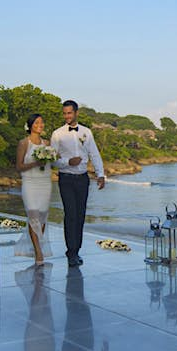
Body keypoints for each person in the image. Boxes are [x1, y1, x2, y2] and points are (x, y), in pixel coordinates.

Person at [50, 100, 106, 266]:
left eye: (69, 113)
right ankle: (71, 252)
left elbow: (94, 154)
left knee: (80, 216)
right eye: (64, 113)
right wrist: (68, 161)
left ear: (76, 113)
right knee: (71, 215)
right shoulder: (57, 134)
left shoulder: (86, 132)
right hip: (65, 178)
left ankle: (77, 251)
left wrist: (101, 174)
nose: (67, 116)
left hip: (83, 179)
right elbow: (52, 159)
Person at [15, 113, 52, 264]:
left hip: (45, 183)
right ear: (30, 126)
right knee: (33, 214)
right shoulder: (24, 143)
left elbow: (53, 162)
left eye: (42, 122)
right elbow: (19, 167)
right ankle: (38, 251)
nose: (40, 125)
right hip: (30, 183)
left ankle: (38, 246)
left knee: (42, 216)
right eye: (37, 123)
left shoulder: (47, 143)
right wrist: (36, 163)